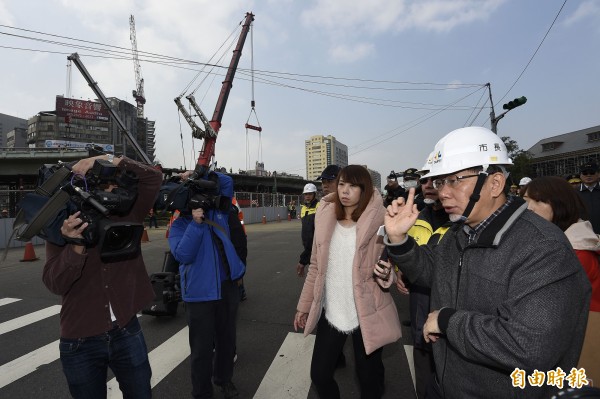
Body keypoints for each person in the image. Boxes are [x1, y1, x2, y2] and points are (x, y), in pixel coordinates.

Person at [383, 126, 591, 399]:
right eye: (439, 181)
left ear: (494, 183)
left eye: (455, 180)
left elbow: (530, 345)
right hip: (444, 384)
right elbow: (431, 272)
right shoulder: (459, 232)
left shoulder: (544, 248)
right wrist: (399, 240)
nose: (442, 192)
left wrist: (448, 322)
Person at [42, 154, 162, 399]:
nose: (109, 190)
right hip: (79, 339)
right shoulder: (63, 225)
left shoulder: (128, 211)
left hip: (126, 328)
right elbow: (55, 283)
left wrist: (110, 159)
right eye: (99, 185)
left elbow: (154, 177)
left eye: (111, 183)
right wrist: (75, 245)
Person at [294, 165, 401, 399]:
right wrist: (304, 305)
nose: (345, 191)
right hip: (332, 309)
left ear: (364, 190)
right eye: (342, 184)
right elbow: (315, 266)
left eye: (352, 186)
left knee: (369, 380)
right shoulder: (325, 216)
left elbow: (389, 263)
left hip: (366, 312)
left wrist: (388, 273)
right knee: (320, 375)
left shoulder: (380, 220)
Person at [168, 171, 245, 399]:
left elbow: (227, 182)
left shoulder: (219, 213)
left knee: (226, 341)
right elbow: (183, 255)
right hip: (199, 295)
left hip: (227, 288)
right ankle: (202, 392)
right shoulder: (179, 225)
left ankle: (224, 379)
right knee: (201, 350)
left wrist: (202, 173)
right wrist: (196, 224)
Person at [522, 176, 600, 385]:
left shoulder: (576, 253)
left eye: (539, 201)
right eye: (526, 200)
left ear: (560, 204)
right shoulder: (555, 242)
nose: (529, 208)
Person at [402, 160, 451, 399]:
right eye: (424, 180)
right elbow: (406, 253)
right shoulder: (415, 216)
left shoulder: (464, 223)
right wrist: (396, 268)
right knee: (423, 379)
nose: (429, 186)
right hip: (420, 312)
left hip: (451, 325)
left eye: (436, 179)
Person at [296, 183, 319, 277]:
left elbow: (314, 235)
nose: (307, 196)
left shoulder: (319, 206)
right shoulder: (303, 208)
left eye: (310, 194)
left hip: (316, 248)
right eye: (306, 194)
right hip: (308, 247)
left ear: (314, 194)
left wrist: (303, 260)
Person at [578, 161, 600, 234]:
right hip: (584, 236)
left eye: (592, 172)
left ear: (598, 174)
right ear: (580, 176)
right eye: (585, 173)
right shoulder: (574, 193)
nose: (588, 175)